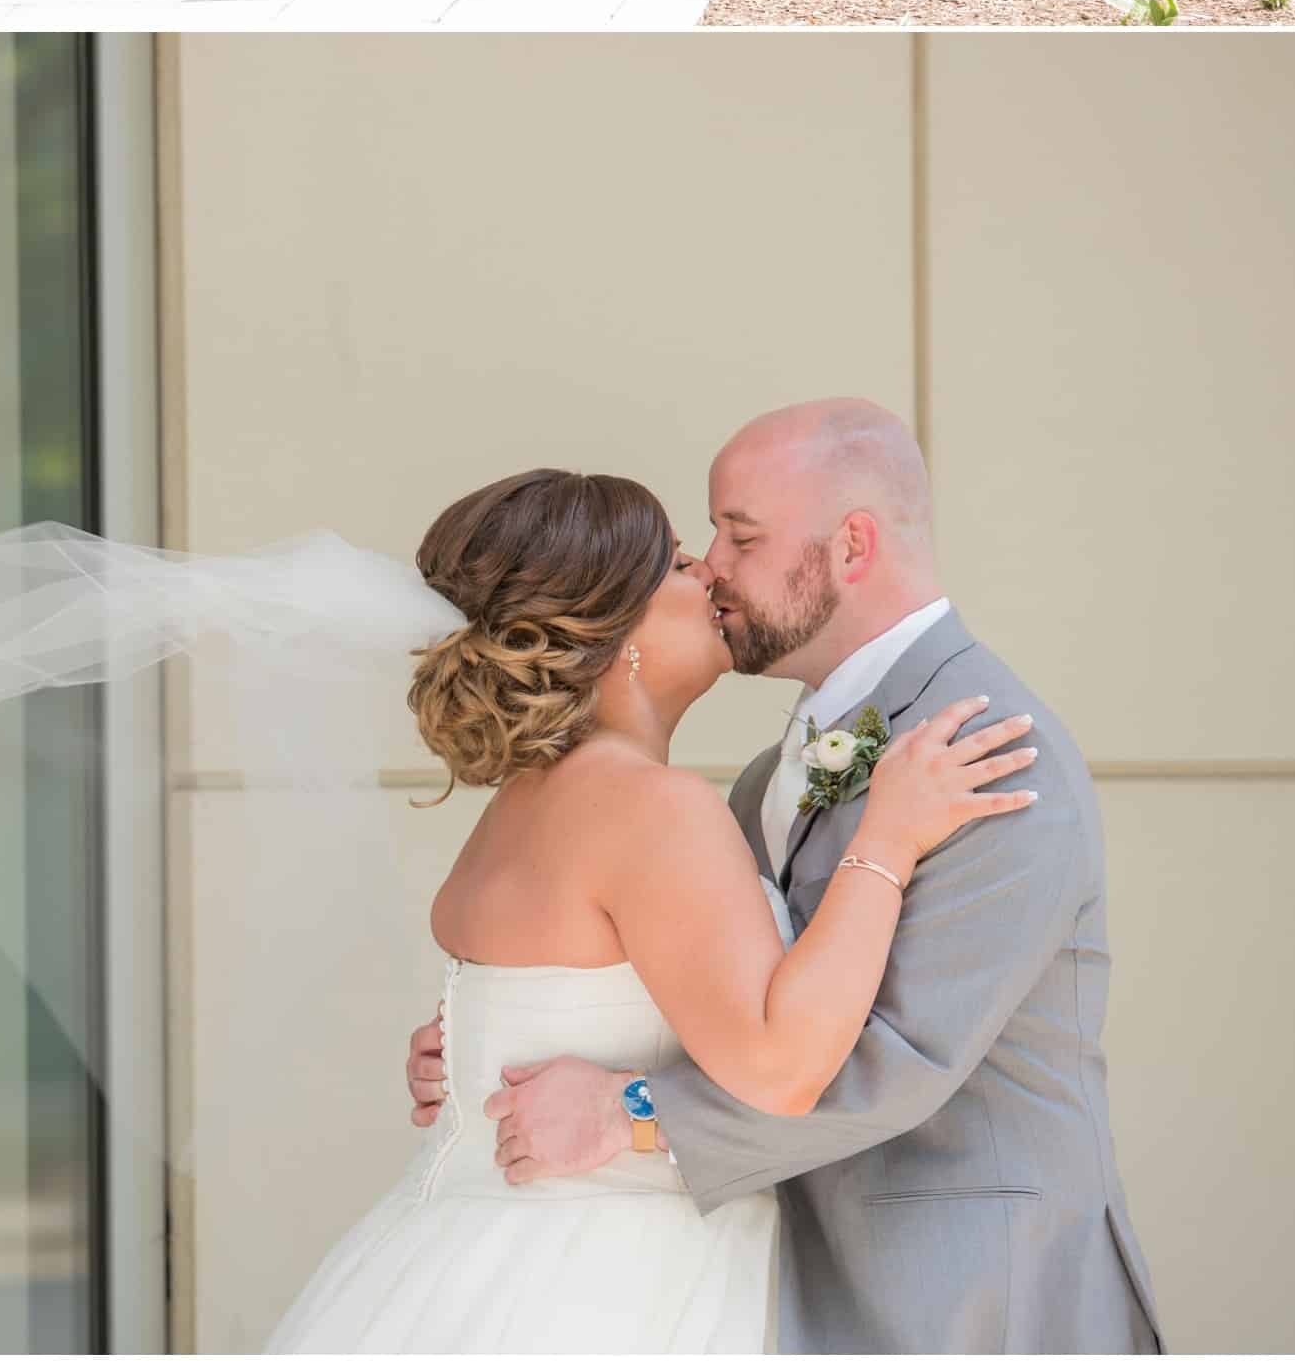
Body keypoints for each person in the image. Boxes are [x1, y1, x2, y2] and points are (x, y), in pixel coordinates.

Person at [404, 405, 1163, 1356]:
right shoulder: (764, 778)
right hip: (763, 1276)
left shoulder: (986, 753)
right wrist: (498, 1039)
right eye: (699, 546)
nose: (714, 565)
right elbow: (696, 987)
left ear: (851, 546)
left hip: (962, 1288)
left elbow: (896, 1056)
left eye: (738, 535)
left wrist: (628, 1112)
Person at [268, 466, 1035, 1354]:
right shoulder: (650, 805)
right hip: (618, 1289)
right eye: (677, 564)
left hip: (466, 1258)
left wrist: (469, 1046)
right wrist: (888, 842)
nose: (710, 573)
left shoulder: (519, 804)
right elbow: (782, 1068)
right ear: (616, 630)